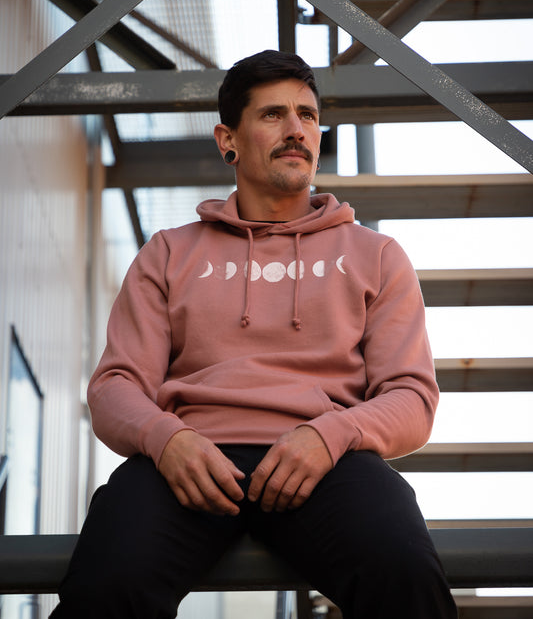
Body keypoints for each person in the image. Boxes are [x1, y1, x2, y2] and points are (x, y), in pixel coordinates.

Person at [50, 49, 457, 618]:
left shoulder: (377, 255)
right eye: (272, 115)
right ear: (228, 140)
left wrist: (332, 435)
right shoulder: (169, 252)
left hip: (326, 460)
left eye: (307, 115)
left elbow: (412, 398)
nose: (296, 130)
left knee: (405, 572)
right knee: (104, 584)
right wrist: (167, 440)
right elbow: (115, 386)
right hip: (189, 459)